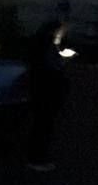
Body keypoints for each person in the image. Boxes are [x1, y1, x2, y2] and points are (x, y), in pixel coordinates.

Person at [25, 19, 70, 172]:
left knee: (40, 124)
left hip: (39, 88)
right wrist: (63, 61)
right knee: (43, 126)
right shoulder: (48, 45)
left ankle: (35, 157)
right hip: (47, 89)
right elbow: (52, 67)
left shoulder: (37, 42)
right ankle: (37, 159)